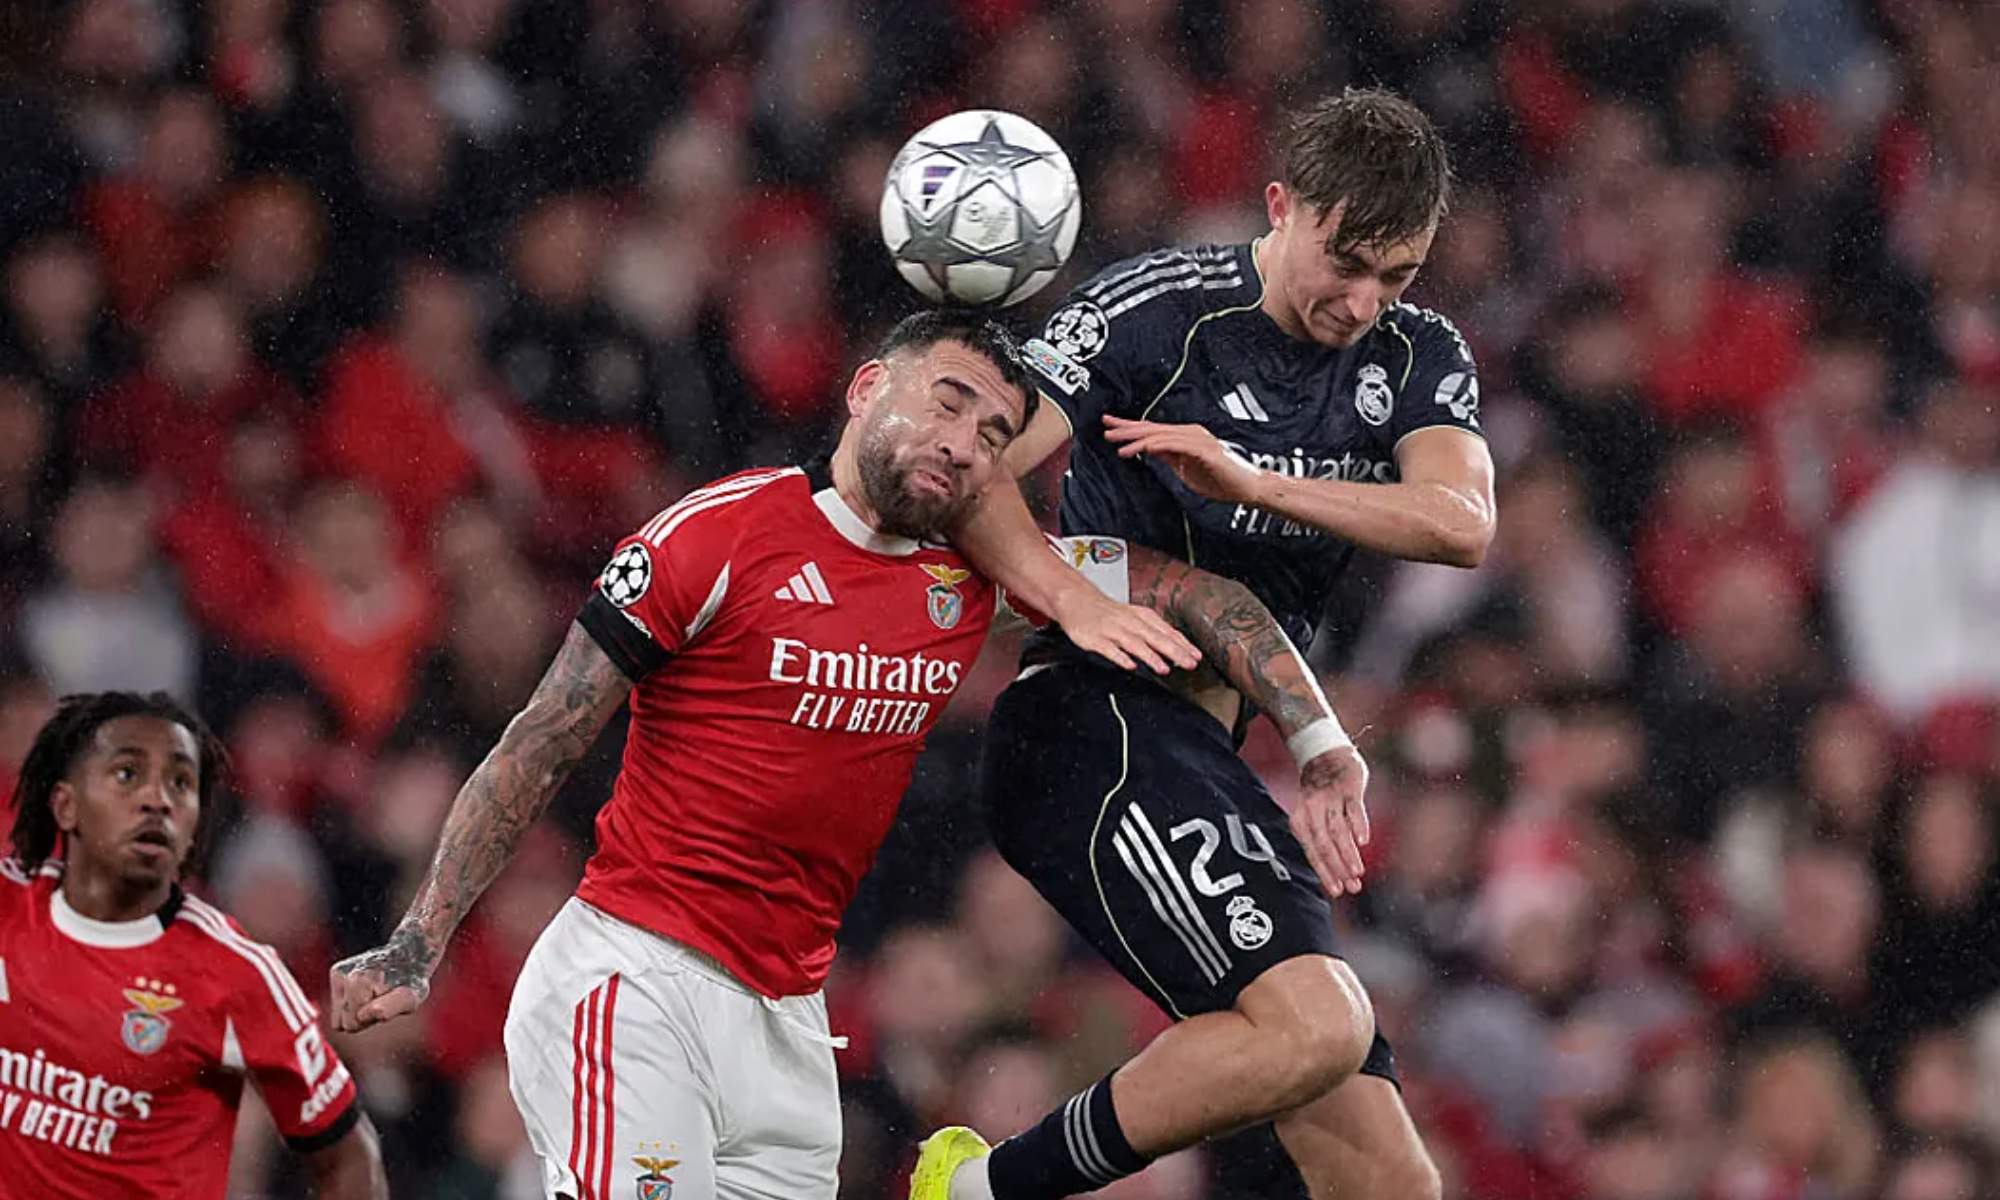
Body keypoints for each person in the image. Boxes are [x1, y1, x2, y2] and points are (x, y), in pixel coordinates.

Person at [327, 310, 1348, 1200]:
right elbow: (540, 742)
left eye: (993, 432)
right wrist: (421, 938)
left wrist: (1316, 740)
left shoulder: (977, 573)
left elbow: (1207, 601)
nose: (963, 443)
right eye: (946, 403)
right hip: (635, 978)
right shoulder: (719, 534)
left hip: (786, 1022)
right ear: (867, 389)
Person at [916, 87, 1495, 1200]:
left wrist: (1249, 478)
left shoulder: (1417, 355)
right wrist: (1066, 586)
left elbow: (1459, 523)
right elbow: (984, 470)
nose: (1363, 302)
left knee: (1390, 1184)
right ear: (1280, 205)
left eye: (1398, 275)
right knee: (1321, 1023)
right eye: (1346, 261)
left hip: (1208, 759)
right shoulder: (1154, 312)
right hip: (1091, 729)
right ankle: (981, 1192)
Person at [0, 691, 387, 1200]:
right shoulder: (9, 908)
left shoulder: (235, 972)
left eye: (181, 782)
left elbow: (348, 1157)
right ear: (66, 805)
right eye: (127, 774)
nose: (158, 798)